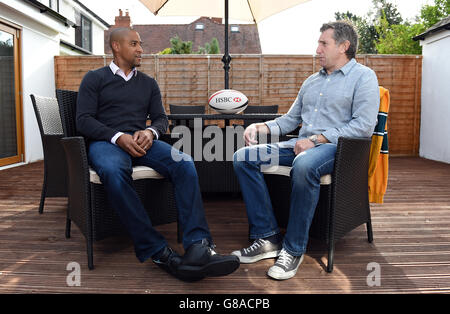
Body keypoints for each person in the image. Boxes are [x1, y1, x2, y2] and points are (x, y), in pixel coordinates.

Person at [76, 27, 239, 282]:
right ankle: (158, 250)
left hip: (145, 143)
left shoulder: (148, 83)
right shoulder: (94, 79)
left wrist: (151, 132)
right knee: (114, 172)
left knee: (184, 162)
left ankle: (198, 246)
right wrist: (118, 137)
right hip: (107, 143)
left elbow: (162, 119)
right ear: (116, 47)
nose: (141, 49)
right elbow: (83, 120)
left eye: (140, 44)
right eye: (134, 44)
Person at [231, 21, 380, 280]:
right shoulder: (312, 81)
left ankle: (293, 249)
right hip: (299, 145)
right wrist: (260, 126)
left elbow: (364, 125)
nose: (317, 49)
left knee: (304, 164)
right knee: (244, 157)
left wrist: (318, 139)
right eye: (318, 43)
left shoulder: (364, 77)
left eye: (324, 43)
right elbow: (289, 121)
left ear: (344, 47)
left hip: (337, 150)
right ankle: (267, 237)